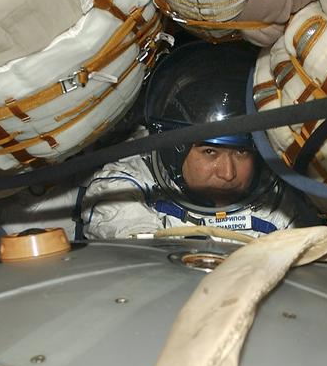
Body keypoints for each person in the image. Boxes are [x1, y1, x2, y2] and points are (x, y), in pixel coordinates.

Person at [77, 40, 313, 240]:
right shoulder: (124, 187)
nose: (228, 173)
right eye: (210, 152)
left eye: (242, 152)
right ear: (175, 151)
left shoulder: (280, 208)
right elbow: (132, 240)